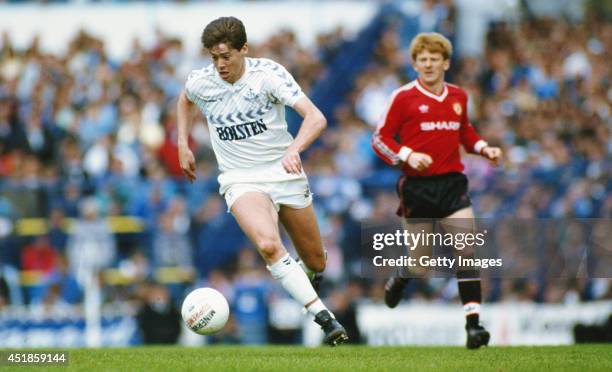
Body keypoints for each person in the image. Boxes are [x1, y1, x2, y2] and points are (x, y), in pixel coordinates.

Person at [177, 16, 347, 346]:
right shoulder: (203, 82)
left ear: (244, 49)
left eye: (226, 56)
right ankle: (325, 319)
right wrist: (183, 143)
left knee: (316, 261)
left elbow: (316, 118)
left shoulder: (267, 76)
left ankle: (304, 280)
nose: (220, 65)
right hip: (240, 180)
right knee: (268, 245)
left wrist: (295, 148)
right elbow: (184, 98)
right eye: (214, 57)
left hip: (283, 172)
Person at [371, 32, 502, 349]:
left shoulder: (459, 96)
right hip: (417, 188)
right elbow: (380, 139)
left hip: (453, 183)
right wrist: (408, 155)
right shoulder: (403, 97)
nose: (428, 64)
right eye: (422, 59)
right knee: (420, 263)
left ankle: (473, 327)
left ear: (446, 62)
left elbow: (465, 132)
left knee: (466, 250)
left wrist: (484, 148)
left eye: (434, 59)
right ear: (414, 63)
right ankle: (402, 276)